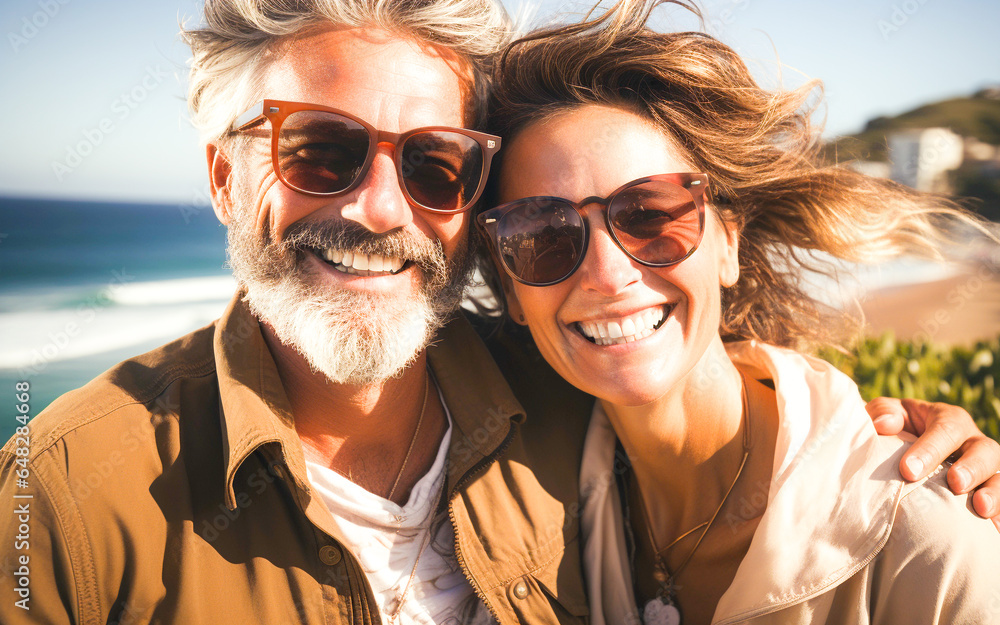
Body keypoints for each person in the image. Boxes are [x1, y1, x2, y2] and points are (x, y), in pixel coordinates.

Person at [0, 1, 996, 624]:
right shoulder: (65, 499)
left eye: (434, 165)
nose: (378, 210)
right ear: (225, 176)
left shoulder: (567, 407)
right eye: (318, 151)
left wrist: (927, 458)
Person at [477, 1, 1000, 623]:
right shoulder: (536, 481)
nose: (607, 275)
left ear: (729, 242)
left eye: (649, 214)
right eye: (543, 234)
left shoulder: (924, 540)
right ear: (510, 288)